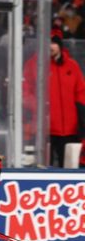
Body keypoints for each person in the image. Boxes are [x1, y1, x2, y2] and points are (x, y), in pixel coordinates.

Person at [24, 34, 85, 168]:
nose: (51, 47)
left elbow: (81, 91)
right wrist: (37, 107)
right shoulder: (35, 64)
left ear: (59, 46)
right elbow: (25, 91)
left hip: (70, 129)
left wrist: (81, 116)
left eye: (54, 43)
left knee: (69, 166)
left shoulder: (72, 65)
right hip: (46, 129)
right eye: (48, 43)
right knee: (44, 166)